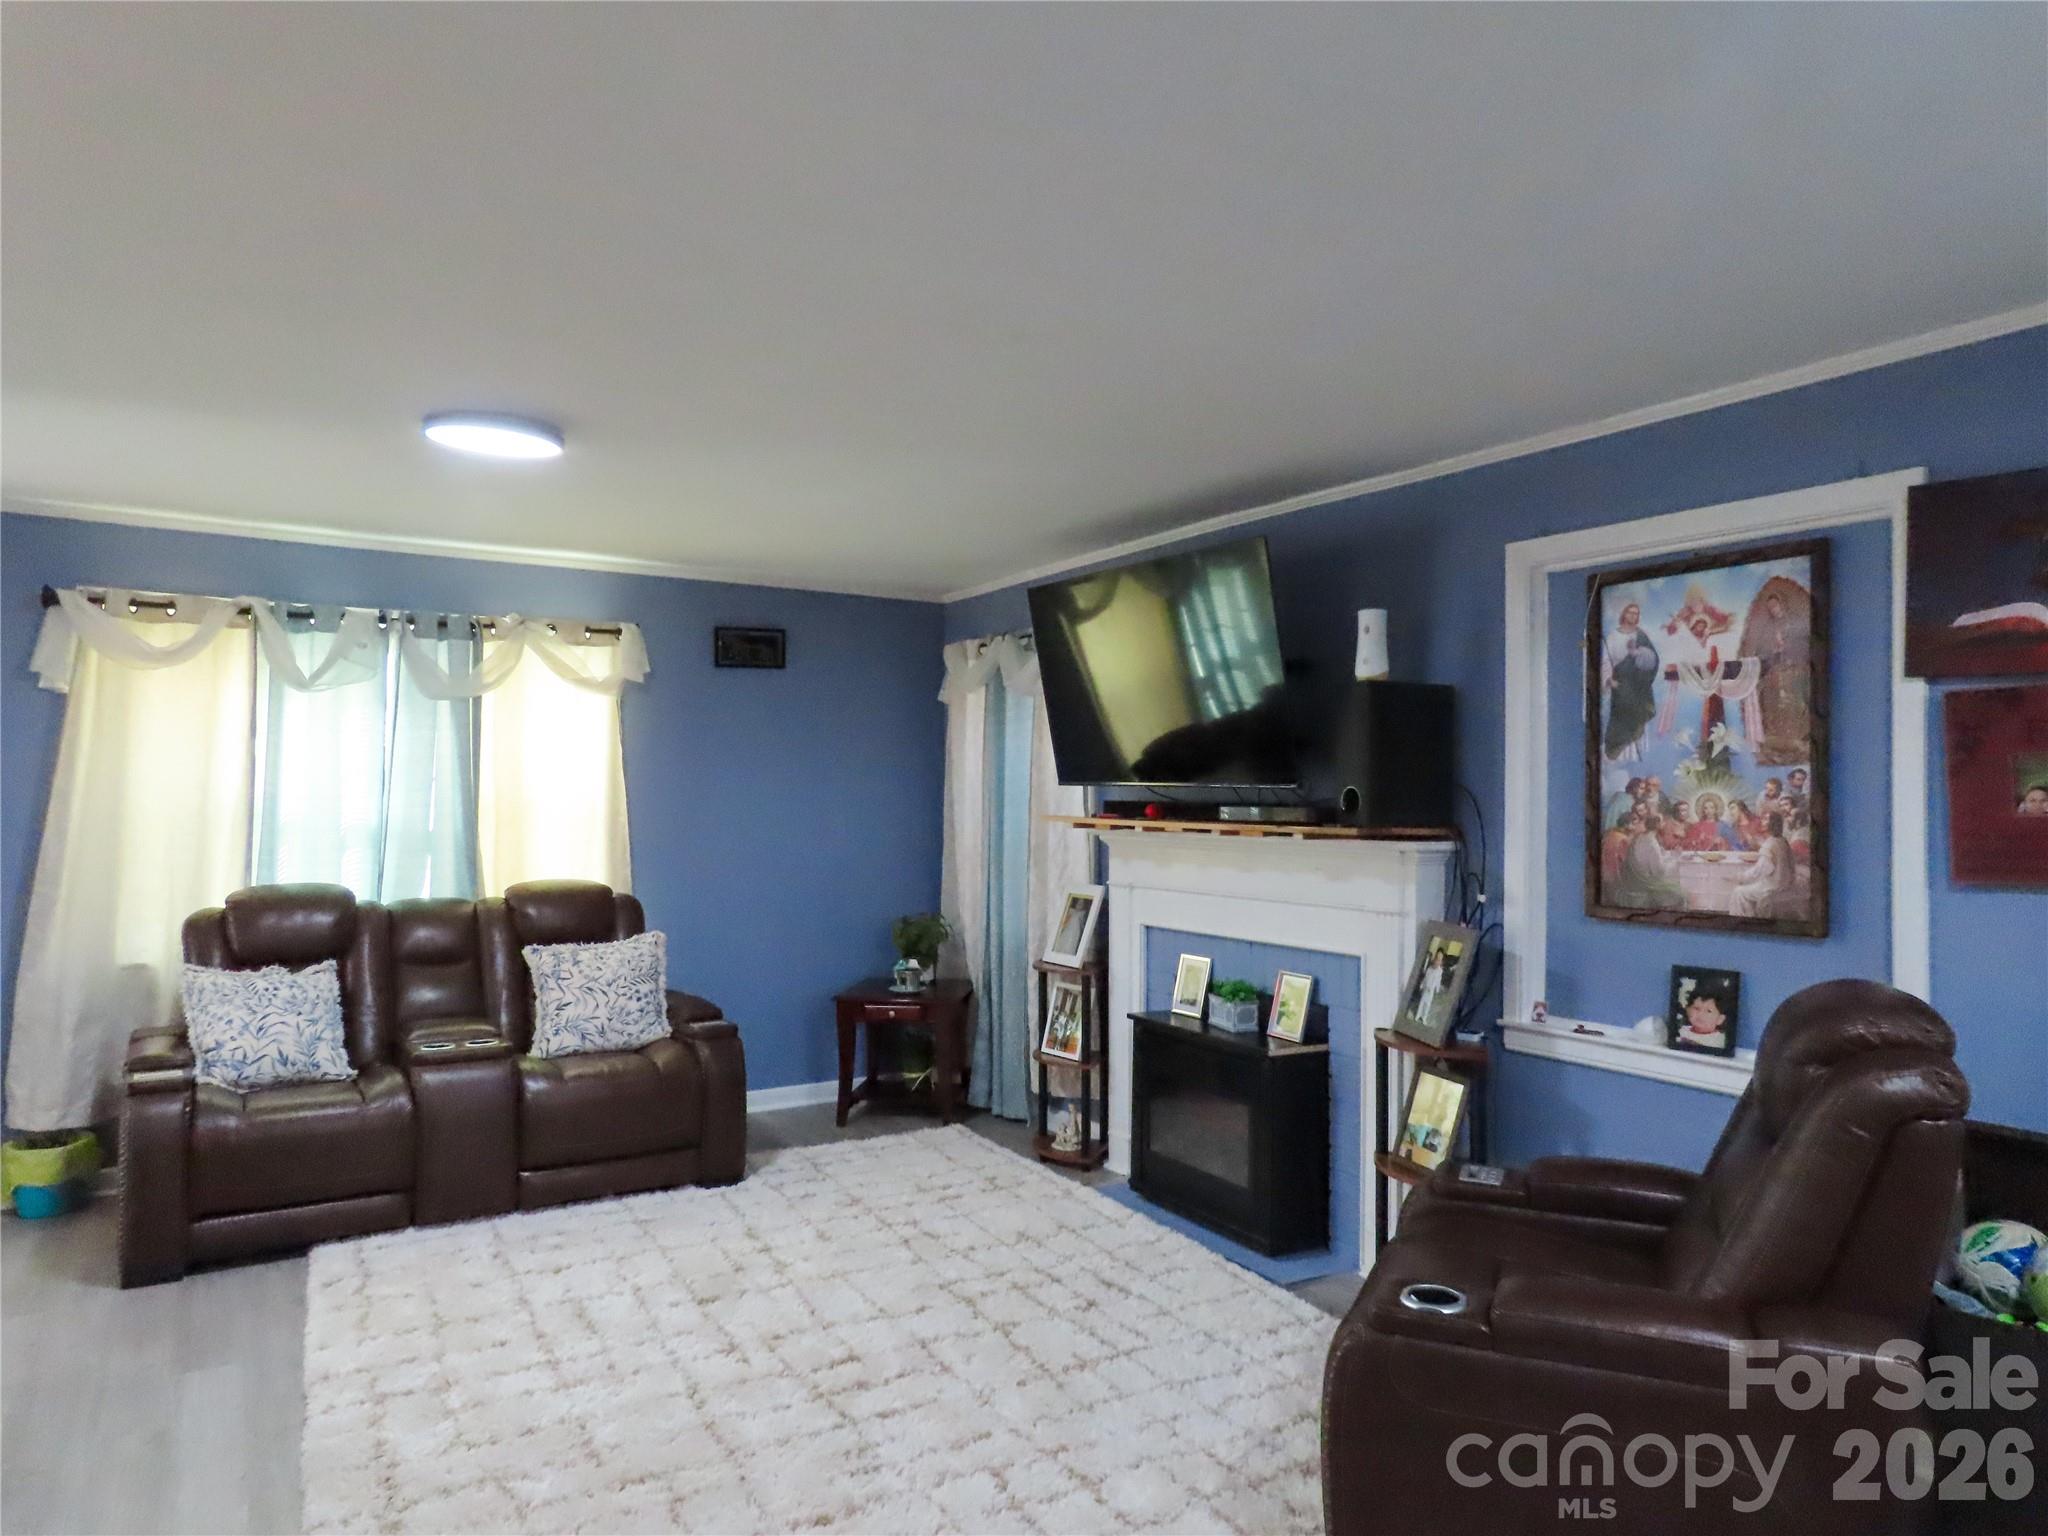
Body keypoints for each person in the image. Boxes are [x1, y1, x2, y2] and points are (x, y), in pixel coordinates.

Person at [1601, 601, 1661, 762]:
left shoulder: (1640, 635)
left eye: (1636, 613)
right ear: (1624, 614)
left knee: (1638, 718)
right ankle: (1619, 754)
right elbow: (1606, 660)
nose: (1633, 616)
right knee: (1620, 721)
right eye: (1630, 612)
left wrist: (1637, 653)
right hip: (1620, 686)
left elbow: (1653, 659)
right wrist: (1609, 680)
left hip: (1638, 686)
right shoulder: (1613, 636)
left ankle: (1638, 757)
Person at [1730, 813, 1799, 918]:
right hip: (1784, 883)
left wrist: (1741, 876)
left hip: (1772, 887)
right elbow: (1791, 865)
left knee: (1738, 891)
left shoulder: (1769, 844)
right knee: (1748, 887)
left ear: (1772, 824)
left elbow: (1760, 871)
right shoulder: (1782, 841)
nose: (1762, 822)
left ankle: (1745, 921)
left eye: (1766, 819)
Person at [1615, 812, 1685, 909]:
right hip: (1645, 883)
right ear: (1657, 825)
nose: (1664, 823)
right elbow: (1659, 871)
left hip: (1637, 878)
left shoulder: (1641, 837)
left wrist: (1670, 855)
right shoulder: (1651, 843)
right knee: (1680, 894)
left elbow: (1653, 858)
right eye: (1662, 821)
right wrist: (1675, 857)